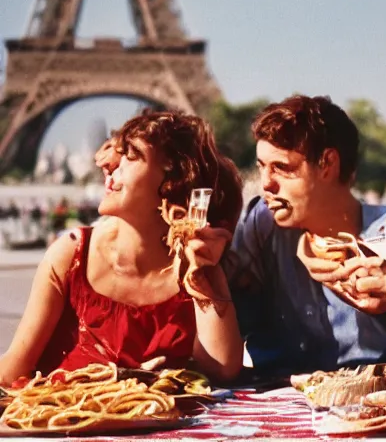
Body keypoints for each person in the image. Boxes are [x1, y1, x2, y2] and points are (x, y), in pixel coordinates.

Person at [223, 95, 386, 378]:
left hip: (372, 398)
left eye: (282, 168)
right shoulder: (264, 224)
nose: (266, 183)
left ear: (328, 164)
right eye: (261, 167)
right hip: (280, 395)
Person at [0, 111, 244, 384]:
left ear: (173, 179)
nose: (111, 166)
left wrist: (202, 277)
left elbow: (221, 370)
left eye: (130, 156)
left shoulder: (192, 266)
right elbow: (12, 372)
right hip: (65, 421)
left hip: (160, 424)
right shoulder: (69, 256)